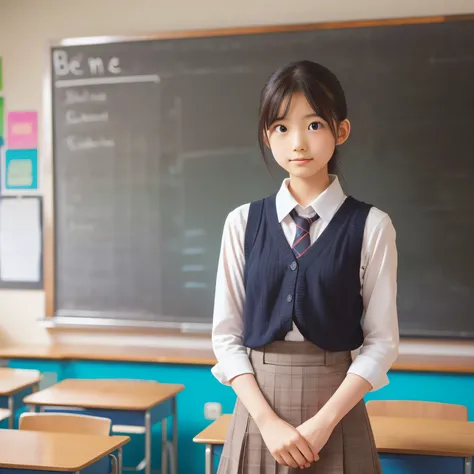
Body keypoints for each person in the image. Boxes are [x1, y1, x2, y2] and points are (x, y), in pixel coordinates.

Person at [211, 60, 399, 473]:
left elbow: (382, 343)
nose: (297, 142)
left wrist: (323, 423)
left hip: (336, 409)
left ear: (341, 131)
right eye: (281, 127)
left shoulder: (372, 226)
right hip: (258, 410)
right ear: (267, 136)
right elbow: (226, 339)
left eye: (313, 125)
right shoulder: (241, 222)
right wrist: (268, 422)